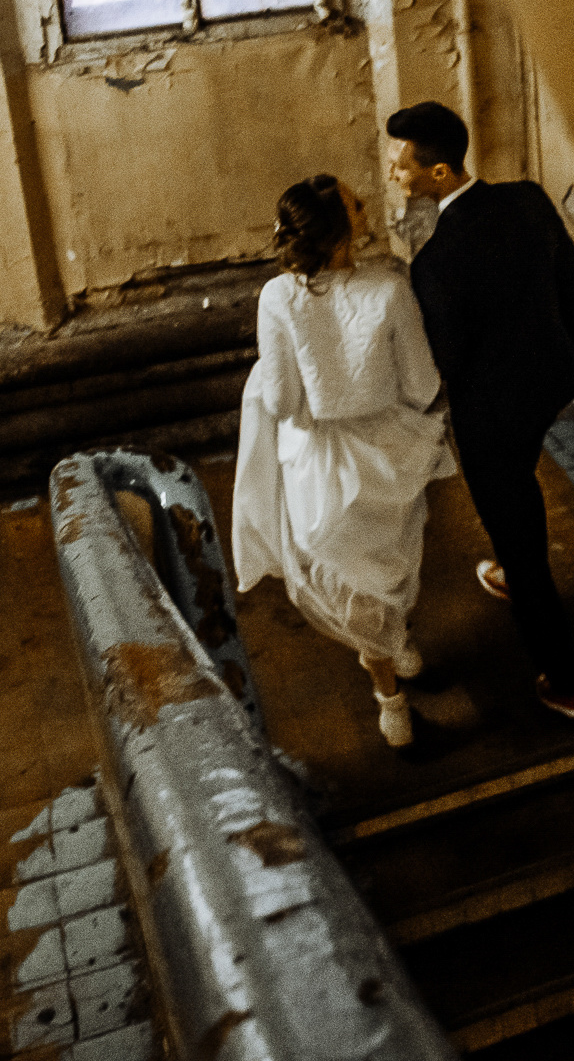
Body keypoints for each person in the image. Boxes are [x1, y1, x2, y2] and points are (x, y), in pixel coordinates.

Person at [386, 101, 574, 720]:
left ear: (442, 173)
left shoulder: (435, 263)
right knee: (521, 487)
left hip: (491, 416)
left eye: (404, 166)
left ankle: (567, 682)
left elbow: (447, 360)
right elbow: (573, 282)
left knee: (524, 544)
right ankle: (508, 565)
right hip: (551, 382)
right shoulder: (528, 200)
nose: (396, 173)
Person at [232, 174, 453, 748]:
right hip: (386, 454)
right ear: (342, 226)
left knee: (348, 572)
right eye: (356, 203)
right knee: (391, 560)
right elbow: (425, 383)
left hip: (321, 463)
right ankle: (395, 663)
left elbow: (280, 401)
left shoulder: (277, 297)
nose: (365, 205)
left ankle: (392, 705)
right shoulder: (390, 289)